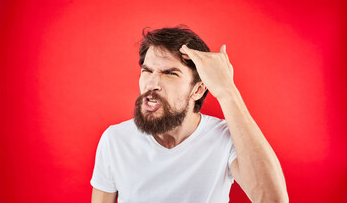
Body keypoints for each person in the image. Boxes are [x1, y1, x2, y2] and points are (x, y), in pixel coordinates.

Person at [90, 26, 289, 203]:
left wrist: (227, 91)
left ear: (198, 90)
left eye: (170, 73)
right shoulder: (115, 139)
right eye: (147, 70)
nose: (151, 84)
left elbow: (273, 199)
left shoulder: (227, 138)